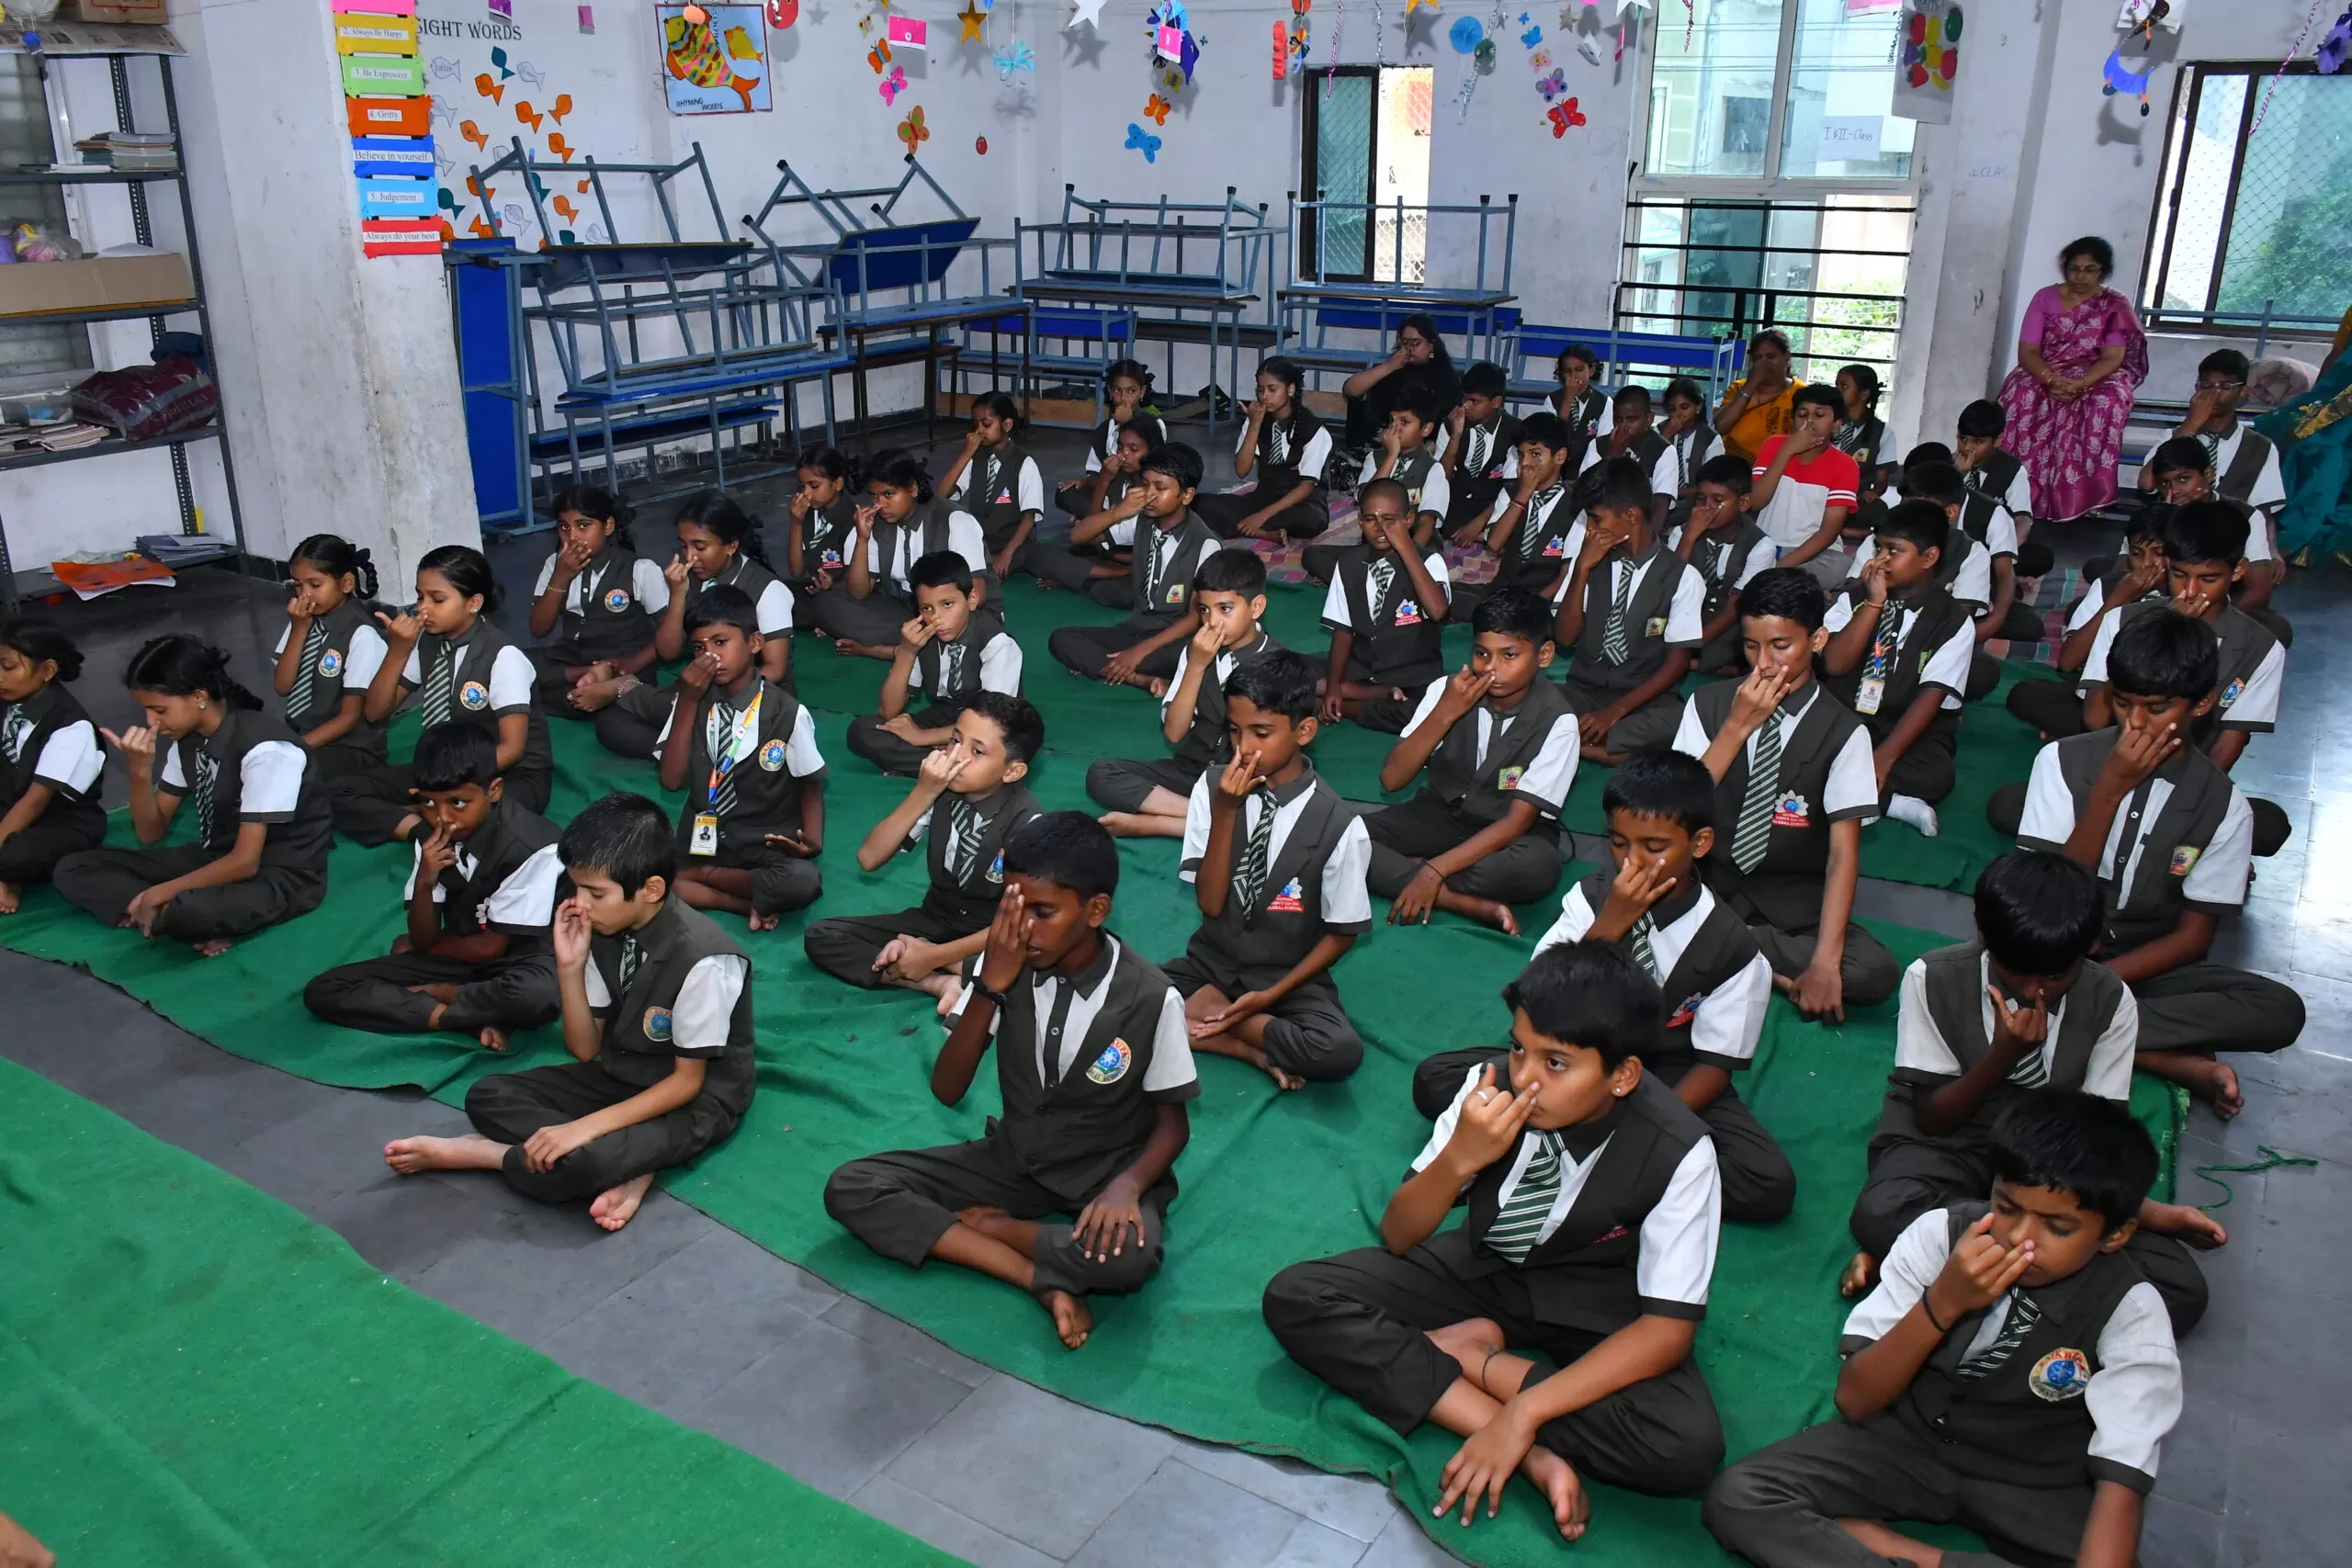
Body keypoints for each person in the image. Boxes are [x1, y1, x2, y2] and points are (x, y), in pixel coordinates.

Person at [1263, 942, 1725, 1546]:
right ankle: (1527, 1448)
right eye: (1518, 1046)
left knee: (1685, 1448)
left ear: (1624, 1074)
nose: (1526, 1077)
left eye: (1556, 1063)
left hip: (1599, 1301)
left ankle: (1471, 1360)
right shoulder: (1490, 1089)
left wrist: (1526, 1408)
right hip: (1484, 1264)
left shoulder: (1682, 1150)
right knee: (1297, 1296)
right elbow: (1400, 1232)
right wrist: (1460, 1156)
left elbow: (1666, 1331)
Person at [1703, 1091, 2187, 1568]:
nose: (2020, 1238)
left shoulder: (2132, 1312)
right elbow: (1855, 1399)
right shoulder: (1940, 1236)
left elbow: (2122, 1482)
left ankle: (1903, 1553)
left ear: (2116, 1234)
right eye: (2008, 1206)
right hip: (1907, 1440)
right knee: (1743, 1496)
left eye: (2057, 1228)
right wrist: (1943, 1303)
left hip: (2032, 1478)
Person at [823, 811, 1199, 1351]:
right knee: (852, 1186)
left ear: (1096, 911)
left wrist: (1128, 1186)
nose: (1024, 929)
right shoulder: (1003, 963)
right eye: (1014, 909)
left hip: (1105, 1170)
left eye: (1043, 912)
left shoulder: (1149, 996)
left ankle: (990, 1229)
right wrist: (991, 987)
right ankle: (1035, 1278)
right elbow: (947, 1089)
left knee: (1130, 1258)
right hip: (1016, 1157)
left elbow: (1173, 1126)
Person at [1840, 850, 2225, 1328]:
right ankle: (2027, 1287)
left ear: (2090, 947)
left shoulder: (2111, 1001)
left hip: (2053, 1167)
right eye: (2013, 971)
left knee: (2180, 1289)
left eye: (2054, 976)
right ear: (1982, 930)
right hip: (1948, 1147)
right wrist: (2001, 1055)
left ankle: (1931, 1265)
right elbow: (1933, 1118)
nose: (2032, 989)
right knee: (1882, 1211)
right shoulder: (1932, 977)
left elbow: (2093, 1142)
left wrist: (2132, 1210)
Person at [383, 792, 755, 1235]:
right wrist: (569, 967)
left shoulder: (705, 959)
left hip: (694, 1100)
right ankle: (632, 1161)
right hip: (622, 1076)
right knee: (487, 1094)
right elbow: (583, 1050)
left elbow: (685, 1083)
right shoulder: (602, 927)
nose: (581, 902)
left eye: (596, 892)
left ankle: (487, 1153)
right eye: (577, 887)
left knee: (579, 1162)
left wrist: (580, 1130)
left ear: (651, 889)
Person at [2006, 609, 2304, 1117]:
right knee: (2001, 965)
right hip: (2052, 948)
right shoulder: (2061, 761)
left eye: (2158, 707)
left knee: (2281, 1011)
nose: (2136, 723)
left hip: (2140, 966)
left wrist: (2098, 987)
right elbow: (2045, 900)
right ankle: (2167, 1058)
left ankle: (2076, 1027)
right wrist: (2108, 792)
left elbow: (2192, 939)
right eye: (2123, 704)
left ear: (2203, 704)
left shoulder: (2224, 804)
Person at [1498, 750, 1792, 1223]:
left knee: (1767, 1184)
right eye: (1618, 843)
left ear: (1699, 844)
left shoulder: (1732, 948)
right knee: (1442, 1082)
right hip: (1566, 1057)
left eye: (1654, 848)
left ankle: (1590, 1156)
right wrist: (1612, 921)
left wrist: (1636, 1127)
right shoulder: (1591, 898)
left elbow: (1715, 1069)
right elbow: (1535, 996)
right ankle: (1615, 1165)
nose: (1631, 862)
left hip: (1667, 1074)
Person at [1672, 569, 1899, 1018]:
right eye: (1751, 646)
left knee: (1872, 971)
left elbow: (1842, 856)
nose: (1763, 663)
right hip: (1710, 884)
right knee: (1639, 883)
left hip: (1793, 901)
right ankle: (1742, 956)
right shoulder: (1709, 705)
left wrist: (1825, 964)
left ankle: (1716, 946)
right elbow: (1672, 810)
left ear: (1817, 641)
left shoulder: (1845, 731)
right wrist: (1736, 727)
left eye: (1781, 646)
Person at [2018, 503, 2291, 856]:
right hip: (2108, 769)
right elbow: (2096, 719)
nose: (2190, 591)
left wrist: (2187, 801)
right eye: (2179, 575)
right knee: (2013, 807)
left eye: (2208, 579)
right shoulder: (2122, 621)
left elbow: (2229, 744)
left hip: (2184, 779)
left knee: (2267, 826)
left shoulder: (2260, 648)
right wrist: (2153, 635)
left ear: (2237, 570)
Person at [1169, 651, 1370, 1090]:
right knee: (1125, 992)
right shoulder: (1212, 787)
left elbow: (1343, 933)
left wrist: (1269, 997)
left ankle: (1208, 1015)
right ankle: (1244, 1045)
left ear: (1305, 731)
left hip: (1285, 980)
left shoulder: (1340, 824)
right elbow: (1210, 902)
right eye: (1235, 731)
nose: (1244, 749)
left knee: (1339, 1051)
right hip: (1209, 966)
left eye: (1261, 733)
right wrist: (1226, 810)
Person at [57, 637, 331, 956]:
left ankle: (164, 910)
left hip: (279, 875)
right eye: (145, 711)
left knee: (191, 911)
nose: (151, 722)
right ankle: (155, 911)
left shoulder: (266, 750)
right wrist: (139, 773)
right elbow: (150, 833)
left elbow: (245, 863)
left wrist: (159, 892)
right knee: (73, 868)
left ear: (199, 697)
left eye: (159, 709)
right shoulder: (188, 740)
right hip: (216, 857)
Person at [302, 720, 566, 1052]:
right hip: (458, 953)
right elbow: (423, 936)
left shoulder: (536, 845)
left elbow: (490, 948)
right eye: (428, 803)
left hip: (519, 960)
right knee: (326, 988)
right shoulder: (432, 838)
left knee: (536, 997)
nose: (442, 818)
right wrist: (426, 881)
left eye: (458, 803)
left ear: (494, 790)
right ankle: (458, 1018)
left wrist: (424, 950)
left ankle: (442, 996)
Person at [1363, 588, 1580, 934]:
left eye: (1509, 655)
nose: (1492, 669)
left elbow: (1515, 823)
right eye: (1482, 653)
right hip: (1439, 814)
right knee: (1340, 837)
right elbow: (1391, 779)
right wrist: (1445, 714)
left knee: (1537, 870)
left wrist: (1434, 869)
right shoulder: (1445, 692)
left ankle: (1417, 870)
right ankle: (1462, 901)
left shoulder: (1559, 721)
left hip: (1511, 834)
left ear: (1544, 655)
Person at [805, 692, 1044, 1004]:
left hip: (991, 933)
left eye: (977, 751)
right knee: (822, 936)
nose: (956, 756)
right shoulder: (939, 793)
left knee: (1034, 967)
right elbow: (869, 857)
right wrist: (924, 790)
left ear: (1012, 771)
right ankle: (938, 983)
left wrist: (935, 954)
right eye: (955, 740)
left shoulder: (1029, 824)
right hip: (935, 919)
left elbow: (1021, 922)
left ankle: (941, 964)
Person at [333, 545, 553, 847]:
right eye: (420, 596)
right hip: (441, 771)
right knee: (339, 791)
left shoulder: (503, 656)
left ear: (474, 603)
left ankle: (428, 816)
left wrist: (448, 789)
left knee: (485, 816)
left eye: (437, 599)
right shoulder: (428, 641)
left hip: (505, 776)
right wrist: (397, 651)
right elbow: (374, 712)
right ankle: (423, 826)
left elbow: (512, 749)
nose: (423, 609)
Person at [655, 585, 826, 931]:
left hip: (763, 841)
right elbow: (671, 782)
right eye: (699, 648)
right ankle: (741, 903)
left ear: (754, 643)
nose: (710, 657)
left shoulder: (787, 712)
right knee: (646, 881)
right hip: (703, 837)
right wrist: (687, 700)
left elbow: (811, 782)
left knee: (802, 881)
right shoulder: (692, 702)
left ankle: (704, 878)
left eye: (721, 643)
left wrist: (813, 839)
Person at [1086, 547, 1283, 839]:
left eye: (1224, 609)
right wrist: (1197, 665)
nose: (1212, 621)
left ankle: (1159, 823)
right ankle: (1205, 816)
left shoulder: (1278, 665)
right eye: (1204, 610)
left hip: (1247, 781)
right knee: (1102, 774)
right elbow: (1175, 734)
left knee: (1275, 811)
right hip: (1192, 771)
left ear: (1256, 607)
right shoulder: (1195, 652)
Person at [593, 490, 796, 761]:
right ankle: (702, 752)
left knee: (665, 708)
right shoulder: (690, 580)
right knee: (614, 724)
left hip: (752, 697)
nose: (690, 557)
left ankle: (630, 693)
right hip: (700, 687)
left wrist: (710, 694)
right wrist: (677, 596)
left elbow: (776, 669)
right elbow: (669, 652)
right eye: (683, 546)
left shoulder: (768, 589)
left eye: (700, 547)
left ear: (731, 546)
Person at [1819, 502, 1977, 840]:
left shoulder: (1954, 621)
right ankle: (1891, 804)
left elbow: (1931, 697)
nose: (1881, 559)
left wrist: (1884, 759)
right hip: (1846, 715)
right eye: (1879, 548)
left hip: (1903, 726)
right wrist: (1874, 604)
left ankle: (1853, 789)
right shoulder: (1855, 598)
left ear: (1929, 558)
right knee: (1797, 742)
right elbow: (1834, 664)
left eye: (1895, 550)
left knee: (1936, 775)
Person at [1552, 457, 1705, 764]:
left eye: (1596, 520)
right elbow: (1565, 639)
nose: (1590, 530)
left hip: (1644, 700)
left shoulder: (1683, 577)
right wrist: (1581, 570)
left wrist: (1616, 711)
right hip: (1584, 692)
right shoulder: (1589, 561)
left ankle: (1575, 744)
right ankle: (1612, 749)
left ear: (1632, 516)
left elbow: (1677, 664)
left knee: (1679, 723)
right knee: (1533, 699)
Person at [1996, 235, 2149, 525]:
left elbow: (2112, 356)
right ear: (2065, 269)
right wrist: (2050, 380)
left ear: (2102, 272)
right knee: (2020, 394)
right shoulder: (2045, 298)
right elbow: (2028, 352)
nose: (2081, 276)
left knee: (2108, 401)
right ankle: (2018, 492)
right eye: (2075, 269)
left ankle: (2089, 496)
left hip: (2096, 372)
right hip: (2047, 368)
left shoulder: (2114, 303)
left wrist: (2081, 384)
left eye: (2090, 269)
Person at [1046, 442, 1223, 688]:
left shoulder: (1206, 545)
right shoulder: (1141, 521)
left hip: (1175, 640)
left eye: (1159, 488)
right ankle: (1140, 679)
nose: (1148, 494)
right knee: (1062, 639)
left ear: (1187, 495)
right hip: (1135, 629)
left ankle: (1105, 666)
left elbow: (1195, 618)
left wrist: (1138, 652)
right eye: (1145, 484)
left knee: (1189, 657)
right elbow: (1077, 537)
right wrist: (1117, 512)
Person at [843, 551, 1023, 776]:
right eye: (927, 608)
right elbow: (888, 710)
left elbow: (991, 723)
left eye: (947, 604)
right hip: (945, 716)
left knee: (998, 748)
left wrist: (923, 738)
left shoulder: (996, 644)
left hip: (990, 727)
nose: (937, 618)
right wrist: (907, 652)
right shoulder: (923, 638)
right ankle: (952, 768)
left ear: (971, 600)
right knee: (863, 731)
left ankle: (937, 765)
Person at [2105, 436, 2290, 646]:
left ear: (2209, 475)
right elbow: (2118, 574)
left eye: (2184, 479)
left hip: (2218, 606)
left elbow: (2259, 589)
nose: (2174, 491)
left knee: (2275, 628)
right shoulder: (2155, 516)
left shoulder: (2244, 516)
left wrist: (2212, 620)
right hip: (2158, 604)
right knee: (2094, 583)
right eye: (2165, 483)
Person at [806, 449, 988, 657]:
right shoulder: (877, 524)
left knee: (952, 623)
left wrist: (935, 613)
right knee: (825, 603)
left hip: (949, 613)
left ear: (913, 488)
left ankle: (893, 649)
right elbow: (859, 593)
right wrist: (862, 539)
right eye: (874, 496)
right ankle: (918, 643)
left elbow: (978, 595)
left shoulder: (953, 520)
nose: (880, 504)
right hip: (906, 609)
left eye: (888, 494)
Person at [1316, 477, 1453, 733]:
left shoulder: (1430, 561)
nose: (1380, 528)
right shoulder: (1348, 564)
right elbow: (1343, 631)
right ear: (1359, 521)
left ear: (1408, 520)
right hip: (1361, 671)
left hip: (1413, 676)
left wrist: (1405, 547)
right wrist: (1334, 685)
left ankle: (1346, 704)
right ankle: (1354, 692)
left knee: (1425, 715)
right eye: (1371, 520)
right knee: (1285, 673)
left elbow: (1437, 611)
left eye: (1389, 520)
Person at [524, 484, 669, 715]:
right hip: (573, 658)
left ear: (608, 526)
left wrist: (634, 663)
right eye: (564, 527)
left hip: (623, 661)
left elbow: (671, 632)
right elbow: (539, 628)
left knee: (534, 695)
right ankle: (590, 681)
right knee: (516, 663)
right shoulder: (555, 564)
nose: (572, 537)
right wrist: (561, 577)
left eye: (584, 526)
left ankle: (609, 686)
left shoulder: (640, 569)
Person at [0, 621, 105, 913]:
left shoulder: (71, 726)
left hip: (58, 826)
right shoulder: (9, 701)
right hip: (10, 810)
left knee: (17, 854)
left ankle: (10, 876)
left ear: (47, 670)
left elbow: (35, 804)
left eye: (8, 668)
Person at [270, 534, 389, 784]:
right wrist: (300, 629)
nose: (305, 595)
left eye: (315, 585)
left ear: (346, 583)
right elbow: (282, 686)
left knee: (286, 779)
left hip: (350, 747)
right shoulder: (302, 621)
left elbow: (349, 718)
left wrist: (296, 749)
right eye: (298, 585)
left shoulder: (362, 634)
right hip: (305, 735)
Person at [1449, 412, 1585, 622]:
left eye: (1536, 454)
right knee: (1442, 593)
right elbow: (1494, 544)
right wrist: (1523, 496)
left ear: (1560, 456)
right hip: (1502, 593)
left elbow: (1566, 575)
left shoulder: (1576, 506)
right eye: (1521, 456)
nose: (1526, 464)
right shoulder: (1512, 492)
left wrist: (1534, 607)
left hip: (1543, 598)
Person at [1302, 384, 1447, 579]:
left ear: (1426, 428)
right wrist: (1392, 456)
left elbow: (1426, 525)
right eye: (1392, 420)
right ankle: (1374, 578)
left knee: (1424, 567)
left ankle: (1374, 578)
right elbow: (1366, 500)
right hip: (1376, 543)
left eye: (1404, 422)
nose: (1395, 429)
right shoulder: (1376, 458)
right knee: (1313, 556)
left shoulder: (1433, 469)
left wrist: (1408, 559)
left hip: (1414, 547)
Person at [1195, 359, 1332, 543]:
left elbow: (1307, 486)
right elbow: (1242, 470)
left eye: (1272, 389)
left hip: (1300, 503)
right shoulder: (1255, 419)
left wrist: (1262, 516)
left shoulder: (1314, 429)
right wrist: (1254, 424)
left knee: (1313, 520)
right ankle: (1263, 533)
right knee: (1199, 504)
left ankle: (1253, 526)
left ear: (1290, 390)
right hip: (1263, 498)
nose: (1265, 396)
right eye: (1260, 390)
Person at [1749, 384, 1860, 585]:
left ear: (1836, 424)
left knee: (1840, 566)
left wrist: (1781, 566)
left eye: (1819, 415)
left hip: (1816, 552)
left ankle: (1786, 583)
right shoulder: (1773, 445)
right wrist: (1786, 452)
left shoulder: (1845, 464)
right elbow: (1756, 502)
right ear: (1792, 420)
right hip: (1768, 544)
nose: (1809, 422)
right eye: (1802, 414)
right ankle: (1797, 586)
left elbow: (1829, 531)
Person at [1671, 455, 1771, 675]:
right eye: (1700, 499)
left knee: (1741, 637)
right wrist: (1689, 538)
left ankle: (1691, 662)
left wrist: (1691, 644)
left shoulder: (1760, 546)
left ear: (1743, 503)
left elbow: (1734, 608)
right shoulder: (1683, 531)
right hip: (1686, 609)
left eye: (1718, 501)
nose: (1707, 508)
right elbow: (1667, 584)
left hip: (1727, 619)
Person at [1035, 418, 1151, 597]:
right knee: (1037, 555)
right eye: (1120, 448)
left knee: (1125, 593)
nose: (1123, 455)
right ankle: (1102, 574)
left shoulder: (1153, 492)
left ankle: (1090, 579)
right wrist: (1104, 479)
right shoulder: (1119, 478)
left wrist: (1105, 546)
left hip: (1137, 561)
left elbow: (1085, 535)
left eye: (1133, 449)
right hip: (1108, 550)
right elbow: (1087, 529)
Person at [939, 390, 1045, 581]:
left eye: (986, 424)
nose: (979, 430)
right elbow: (941, 495)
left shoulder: (1024, 463)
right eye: (975, 424)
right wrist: (966, 454)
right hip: (982, 542)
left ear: (1007, 424)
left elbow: (1029, 517)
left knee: (981, 576)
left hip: (1015, 544)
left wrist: (1006, 555)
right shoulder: (975, 458)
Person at [1954, 399, 2052, 581]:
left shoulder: (2011, 469)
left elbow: (2022, 521)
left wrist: (1998, 555)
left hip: (1992, 546)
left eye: (1978, 442)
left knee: (2041, 556)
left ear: (1998, 440)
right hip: (1954, 543)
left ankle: (1993, 575)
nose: (1967, 448)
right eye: (1963, 439)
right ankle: (1999, 580)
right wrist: (1957, 476)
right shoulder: (1947, 466)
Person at [1055, 358, 1166, 516]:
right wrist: (1084, 482)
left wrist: (1128, 423)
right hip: (1109, 491)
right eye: (1117, 391)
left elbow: (1158, 469)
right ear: (1109, 390)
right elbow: (1095, 473)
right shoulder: (1106, 429)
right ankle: (1099, 518)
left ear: (1142, 391)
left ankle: (1096, 521)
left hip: (1142, 493)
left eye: (1131, 391)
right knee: (1064, 493)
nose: (1123, 398)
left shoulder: (1156, 425)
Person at [1340, 312, 1462, 452]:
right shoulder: (1391, 369)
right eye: (1405, 342)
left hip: (1418, 445)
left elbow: (1446, 420)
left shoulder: (1445, 377)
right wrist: (1389, 366)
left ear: (1431, 344)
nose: (1409, 348)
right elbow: (1351, 390)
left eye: (1416, 343)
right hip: (1380, 440)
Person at [1439, 360, 1522, 536]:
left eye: (1474, 401)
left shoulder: (1516, 432)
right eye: (1465, 399)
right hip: (1451, 511)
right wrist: (1456, 436)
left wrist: (1479, 524)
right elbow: (1440, 481)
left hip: (1494, 515)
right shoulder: (1450, 425)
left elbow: (1512, 489)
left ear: (1496, 402)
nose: (1466, 406)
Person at [1713, 329, 1803, 464]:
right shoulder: (1738, 388)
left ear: (1787, 357)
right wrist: (1750, 385)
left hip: (1783, 472)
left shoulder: (1801, 394)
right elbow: (1721, 426)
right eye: (1758, 358)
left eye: (1771, 357)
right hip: (1735, 472)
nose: (1764, 363)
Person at [1576, 385, 1674, 509]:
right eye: (1618, 419)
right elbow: (1585, 493)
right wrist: (1613, 454)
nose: (1623, 426)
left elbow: (1660, 509)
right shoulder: (1598, 445)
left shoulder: (1664, 451)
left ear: (1649, 418)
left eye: (1631, 419)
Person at [785, 445, 863, 596]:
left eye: (814, 486)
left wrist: (832, 586)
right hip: (811, 587)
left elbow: (861, 583)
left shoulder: (852, 520)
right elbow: (796, 570)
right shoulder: (807, 512)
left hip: (844, 594)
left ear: (838, 484)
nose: (806, 493)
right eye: (802, 486)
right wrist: (796, 523)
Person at [1655, 377, 1721, 527]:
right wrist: (1666, 435)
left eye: (1684, 407)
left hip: (1695, 504)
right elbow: (1646, 465)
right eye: (1672, 409)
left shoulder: (1710, 439)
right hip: (1659, 500)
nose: (1677, 414)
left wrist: (1679, 492)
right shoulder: (1659, 431)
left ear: (1697, 408)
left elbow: (1713, 484)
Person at [1831, 363, 1888, 479]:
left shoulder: (1882, 431)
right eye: (1836, 386)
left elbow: (1881, 481)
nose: (1837, 391)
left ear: (1864, 394)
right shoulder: (1828, 421)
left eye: (1844, 387)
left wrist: (1872, 494)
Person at [1549, 342, 1608, 447]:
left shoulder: (1605, 403)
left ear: (1591, 370)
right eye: (1567, 371)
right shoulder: (1552, 400)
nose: (1573, 376)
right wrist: (1568, 399)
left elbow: (1603, 445)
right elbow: (1553, 439)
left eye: (1579, 370)